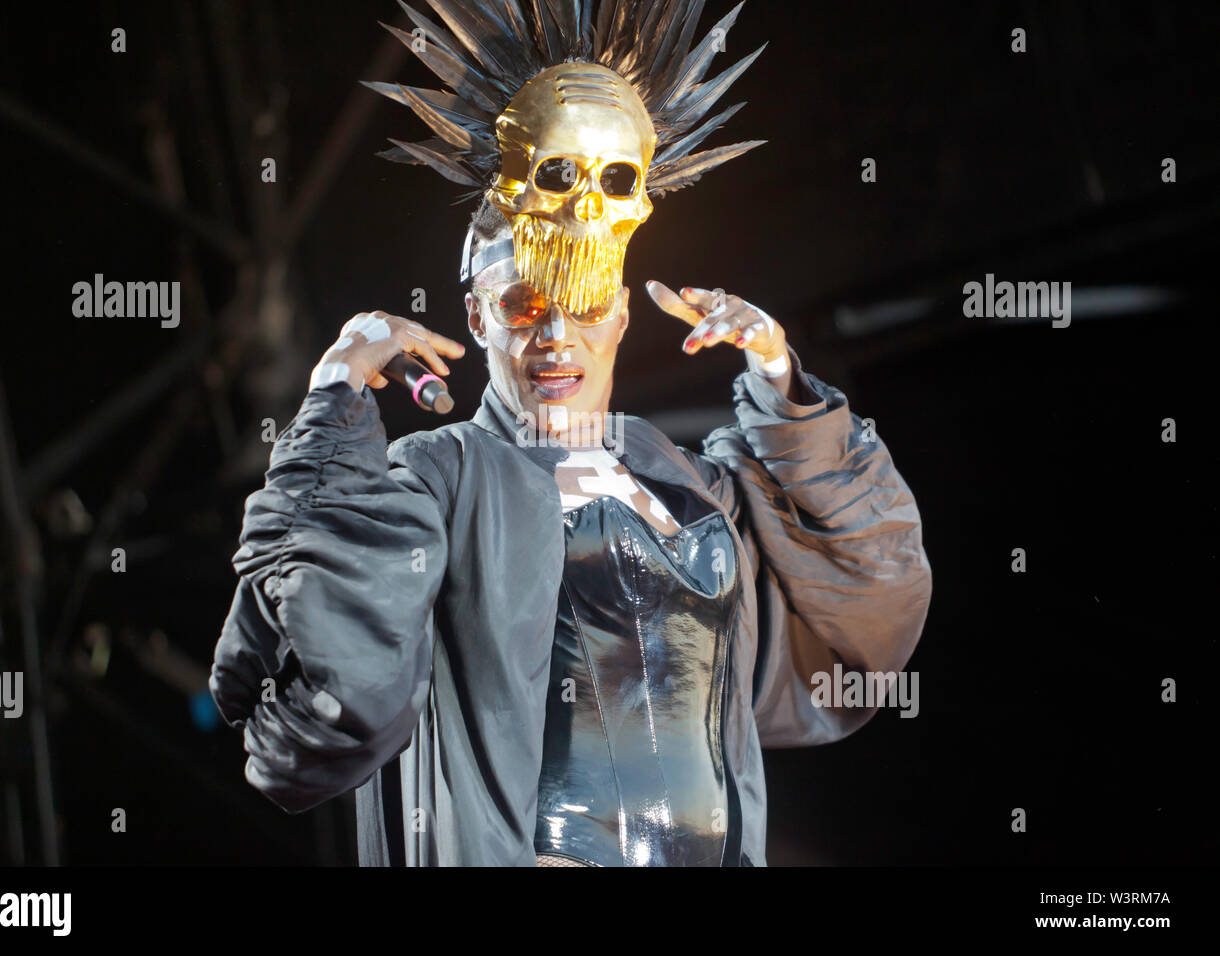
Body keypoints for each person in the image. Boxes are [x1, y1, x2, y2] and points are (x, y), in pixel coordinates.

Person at [209, 0, 932, 866]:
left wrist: (783, 386)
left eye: (585, 307)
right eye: (525, 308)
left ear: (622, 316)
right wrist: (334, 396)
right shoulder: (442, 476)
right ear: (476, 317)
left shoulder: (689, 484)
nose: (556, 339)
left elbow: (871, 612)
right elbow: (329, 703)